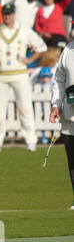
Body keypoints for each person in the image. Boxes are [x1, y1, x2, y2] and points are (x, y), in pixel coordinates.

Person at [0, 3, 47, 152]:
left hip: (20, 74)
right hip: (0, 75)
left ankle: (30, 140)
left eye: (9, 14)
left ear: (14, 14)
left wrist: (30, 59)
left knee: (25, 107)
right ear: (2, 15)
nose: (7, 16)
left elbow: (41, 46)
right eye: (5, 14)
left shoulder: (24, 31)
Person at [49, 41, 74, 210]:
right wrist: (56, 105)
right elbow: (59, 79)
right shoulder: (68, 50)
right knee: (72, 160)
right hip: (70, 115)